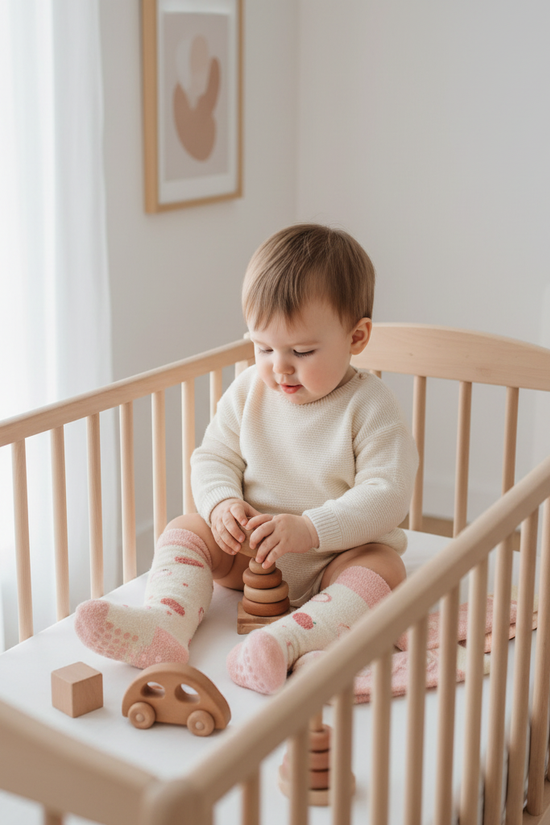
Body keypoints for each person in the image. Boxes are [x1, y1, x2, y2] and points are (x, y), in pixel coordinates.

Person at [75, 224, 418, 695]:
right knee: (186, 527)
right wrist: (221, 507)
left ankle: (291, 639)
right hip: (250, 556)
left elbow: (387, 495)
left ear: (356, 337)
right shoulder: (247, 391)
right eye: (263, 347)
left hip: (333, 560)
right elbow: (213, 456)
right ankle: (164, 625)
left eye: (302, 350)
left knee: (385, 567)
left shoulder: (371, 406)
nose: (279, 366)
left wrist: (311, 530)